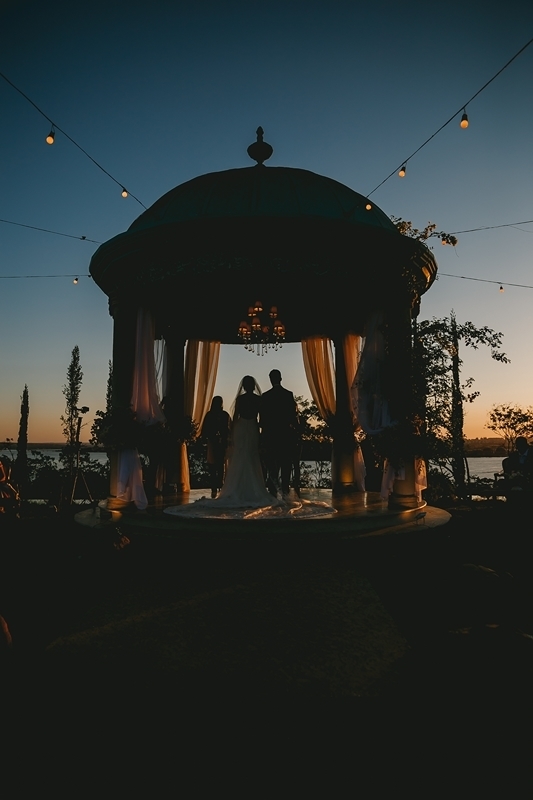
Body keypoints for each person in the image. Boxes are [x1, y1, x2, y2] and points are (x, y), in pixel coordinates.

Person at [260, 369, 298, 497]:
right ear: (280, 379)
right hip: (285, 434)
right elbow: (292, 415)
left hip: (270, 435)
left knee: (272, 464)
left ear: (270, 380)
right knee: (285, 463)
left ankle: (273, 490)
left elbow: (263, 418)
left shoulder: (265, 396)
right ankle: (285, 489)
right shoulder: (288, 394)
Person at [201, 396, 230, 498]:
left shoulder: (210, 415)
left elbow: (205, 429)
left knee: (213, 465)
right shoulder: (224, 415)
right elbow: (228, 429)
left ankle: (214, 485)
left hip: (213, 441)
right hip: (219, 442)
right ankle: (219, 484)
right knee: (220, 464)